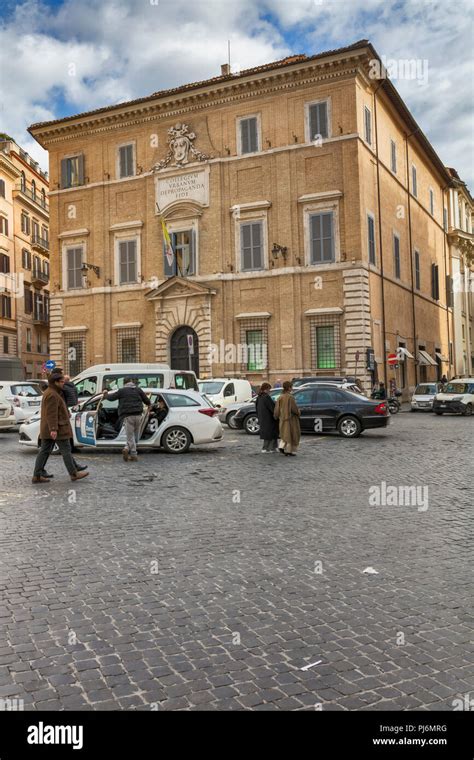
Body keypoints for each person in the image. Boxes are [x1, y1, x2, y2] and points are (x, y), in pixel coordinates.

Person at [32, 371, 89, 483]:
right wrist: (53, 429)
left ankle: (37, 475)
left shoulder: (52, 392)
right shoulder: (52, 394)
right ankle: (74, 473)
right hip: (58, 428)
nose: (64, 383)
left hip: (51, 428)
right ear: (56, 382)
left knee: (44, 451)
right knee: (66, 450)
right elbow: (51, 413)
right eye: (62, 382)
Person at [103, 377, 151, 461]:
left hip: (128, 416)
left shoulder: (122, 391)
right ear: (131, 382)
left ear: (124, 383)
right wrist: (149, 406)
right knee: (135, 437)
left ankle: (132, 454)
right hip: (138, 416)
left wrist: (105, 393)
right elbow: (147, 400)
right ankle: (128, 449)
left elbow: (111, 398)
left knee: (130, 436)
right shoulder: (138, 390)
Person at [273, 381, 301, 457]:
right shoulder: (290, 397)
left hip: (282, 419)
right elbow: (294, 408)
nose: (292, 388)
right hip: (291, 419)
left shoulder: (280, 397)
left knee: (285, 434)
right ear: (289, 388)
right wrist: (298, 412)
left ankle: (282, 447)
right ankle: (289, 451)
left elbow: (277, 409)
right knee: (292, 435)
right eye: (291, 387)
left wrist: (276, 416)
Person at [255, 382, 279, 453]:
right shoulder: (266, 397)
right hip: (269, 418)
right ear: (266, 389)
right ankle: (270, 448)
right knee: (271, 434)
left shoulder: (259, 397)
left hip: (262, 418)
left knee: (267, 434)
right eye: (269, 389)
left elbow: (256, 408)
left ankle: (269, 448)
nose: (269, 391)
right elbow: (272, 407)